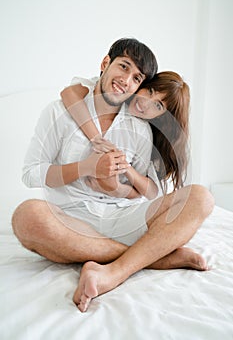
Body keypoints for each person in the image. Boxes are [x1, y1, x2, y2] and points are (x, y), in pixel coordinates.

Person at [12, 38, 214, 313]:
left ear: (138, 86)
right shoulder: (59, 112)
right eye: (123, 66)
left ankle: (112, 272)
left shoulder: (139, 127)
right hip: (72, 219)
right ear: (105, 63)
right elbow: (31, 174)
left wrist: (117, 188)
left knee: (201, 198)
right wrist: (86, 169)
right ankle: (155, 257)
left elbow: (151, 192)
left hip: (123, 217)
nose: (126, 80)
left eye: (136, 77)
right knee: (26, 217)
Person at [60, 71, 189, 199]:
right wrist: (98, 140)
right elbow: (68, 93)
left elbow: (151, 192)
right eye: (150, 91)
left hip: (117, 203)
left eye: (157, 105)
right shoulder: (115, 91)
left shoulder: (144, 132)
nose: (144, 103)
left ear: (162, 117)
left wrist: (120, 177)